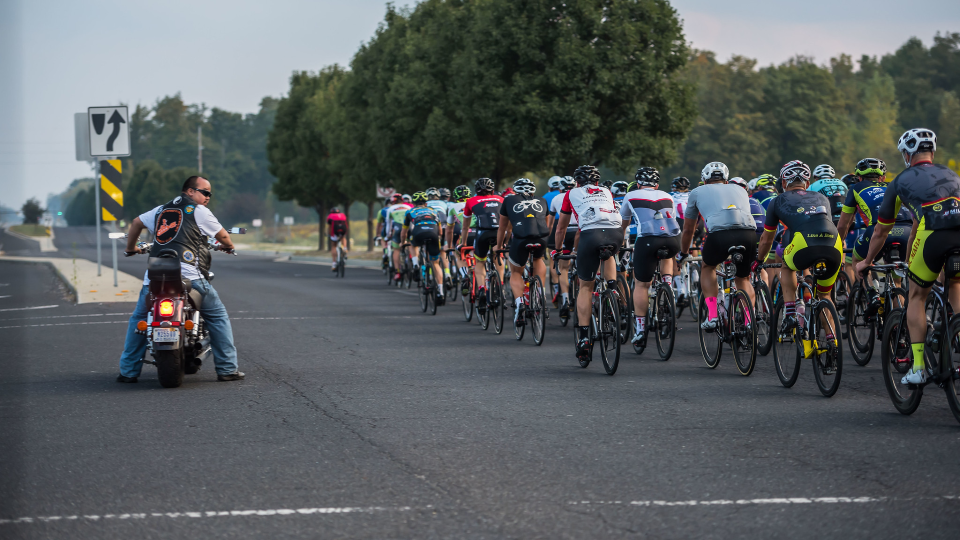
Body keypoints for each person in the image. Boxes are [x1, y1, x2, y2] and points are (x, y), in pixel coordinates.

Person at [857, 128, 960, 384]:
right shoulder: (952, 174)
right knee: (956, 284)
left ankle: (917, 368)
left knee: (916, 295)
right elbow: (915, 226)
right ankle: (956, 331)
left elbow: (881, 231)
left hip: (933, 235)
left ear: (907, 154)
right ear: (932, 152)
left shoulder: (900, 181)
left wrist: (867, 262)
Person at [116, 176, 243, 383]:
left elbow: (136, 222)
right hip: (190, 278)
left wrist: (131, 249)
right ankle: (227, 368)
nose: (208, 197)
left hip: (155, 278)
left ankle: (128, 371)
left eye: (210, 193)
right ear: (190, 191)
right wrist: (228, 247)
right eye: (205, 192)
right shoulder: (199, 211)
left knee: (139, 319)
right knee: (217, 316)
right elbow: (224, 237)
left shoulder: (161, 210)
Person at [756, 161, 842, 344]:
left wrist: (759, 260)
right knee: (825, 296)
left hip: (804, 243)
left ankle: (790, 312)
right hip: (834, 244)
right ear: (807, 181)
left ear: (784, 183)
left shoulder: (777, 200)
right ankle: (832, 341)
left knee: (786, 267)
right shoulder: (821, 197)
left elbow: (767, 238)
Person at [554, 165, 624, 361]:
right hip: (615, 234)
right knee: (608, 254)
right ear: (597, 182)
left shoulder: (571, 194)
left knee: (585, 286)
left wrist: (558, 250)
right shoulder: (607, 191)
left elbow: (561, 228)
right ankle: (613, 291)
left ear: (577, 182)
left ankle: (584, 338)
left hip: (590, 235)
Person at [679, 162, 757, 331]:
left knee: (708, 267)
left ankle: (713, 314)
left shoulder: (697, 192)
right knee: (743, 278)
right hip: (748, 234)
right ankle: (750, 320)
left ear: (705, 180)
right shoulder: (740, 189)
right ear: (726, 179)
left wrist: (683, 253)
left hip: (719, 234)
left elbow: (688, 230)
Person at [837, 158, 910, 308]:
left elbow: (844, 224)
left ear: (859, 178)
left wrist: (838, 244)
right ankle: (897, 325)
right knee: (896, 281)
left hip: (880, 230)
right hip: (906, 230)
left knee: (858, 262)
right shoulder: (892, 185)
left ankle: (872, 294)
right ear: (882, 177)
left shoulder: (856, 188)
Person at [619, 167, 679, 343]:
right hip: (673, 239)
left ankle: (640, 328)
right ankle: (668, 287)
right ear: (657, 184)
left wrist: (620, 242)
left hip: (647, 239)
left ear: (638, 184)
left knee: (642, 284)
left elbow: (624, 223)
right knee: (667, 249)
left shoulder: (631, 195)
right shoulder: (667, 196)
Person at [497, 178, 551, 326]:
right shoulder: (542, 200)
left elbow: (503, 227)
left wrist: (499, 245)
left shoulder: (508, 200)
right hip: (541, 238)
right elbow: (547, 224)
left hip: (521, 239)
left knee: (515, 272)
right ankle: (541, 295)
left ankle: (519, 302)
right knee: (538, 259)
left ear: (515, 190)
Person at [460, 177, 504, 312]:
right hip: (498, 232)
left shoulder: (470, 201)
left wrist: (463, 243)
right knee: (498, 259)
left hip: (482, 234)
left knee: (479, 262)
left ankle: (481, 290)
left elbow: (465, 226)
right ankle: (499, 286)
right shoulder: (501, 199)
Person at [401, 191, 445, 303]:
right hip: (433, 234)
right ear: (426, 203)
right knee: (435, 263)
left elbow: (404, 231)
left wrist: (403, 242)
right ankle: (440, 292)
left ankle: (415, 264)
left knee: (412, 243)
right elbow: (440, 231)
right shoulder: (434, 211)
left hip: (418, 233)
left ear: (414, 203)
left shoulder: (410, 211)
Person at [548, 176, 578, 318]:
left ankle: (565, 298)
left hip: (565, 232)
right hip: (580, 232)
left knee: (563, 268)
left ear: (560, 188)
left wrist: (548, 237)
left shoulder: (556, 198)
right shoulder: (579, 195)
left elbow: (551, 223)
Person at [425, 187, 452, 283]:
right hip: (444, 226)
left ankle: (432, 275)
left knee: (431, 252)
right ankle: (448, 273)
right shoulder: (444, 203)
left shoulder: (426, 204)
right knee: (443, 251)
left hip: (432, 227)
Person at [386, 195, 414, 282]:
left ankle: (397, 272)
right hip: (409, 228)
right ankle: (411, 257)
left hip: (398, 228)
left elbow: (388, 224)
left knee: (396, 250)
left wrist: (388, 235)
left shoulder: (391, 209)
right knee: (410, 244)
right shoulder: (408, 206)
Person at [327, 207, 348, 272]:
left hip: (335, 229)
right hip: (343, 229)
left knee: (334, 245)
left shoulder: (330, 216)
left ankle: (334, 263)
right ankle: (345, 248)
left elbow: (330, 227)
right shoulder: (343, 215)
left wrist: (329, 234)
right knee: (343, 237)